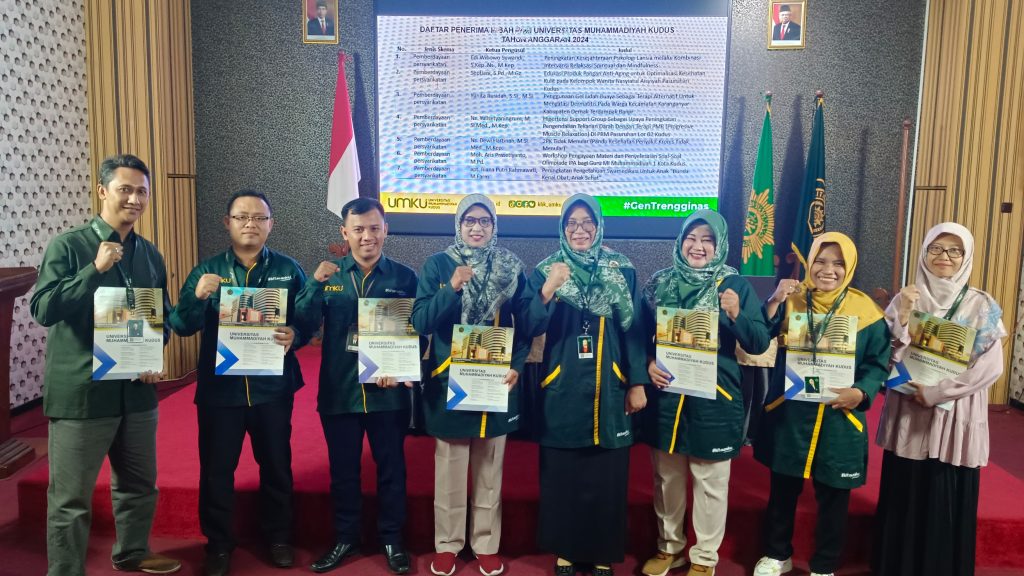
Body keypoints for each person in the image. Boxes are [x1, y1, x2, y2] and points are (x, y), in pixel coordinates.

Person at [30, 154, 181, 576]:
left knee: (139, 485)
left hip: (136, 391)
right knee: (70, 498)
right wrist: (94, 270)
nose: (134, 199)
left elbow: (163, 316)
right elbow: (43, 309)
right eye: (125, 189)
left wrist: (154, 353)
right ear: (102, 191)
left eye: (142, 192)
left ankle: (132, 552)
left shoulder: (149, 254)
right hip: (83, 393)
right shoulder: (69, 246)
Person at [168, 190, 315, 576]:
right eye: (242, 217)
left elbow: (307, 317)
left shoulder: (288, 269)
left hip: (272, 389)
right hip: (221, 393)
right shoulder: (207, 271)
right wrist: (197, 297)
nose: (251, 224)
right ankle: (218, 544)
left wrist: (296, 334)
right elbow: (181, 325)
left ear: (271, 224)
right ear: (228, 223)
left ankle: (279, 537)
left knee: (277, 466)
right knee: (217, 472)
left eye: (259, 218)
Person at [521, 194, 649, 576]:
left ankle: (600, 552)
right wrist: (548, 289)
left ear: (598, 226)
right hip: (563, 386)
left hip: (610, 387)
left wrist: (637, 382)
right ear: (562, 228)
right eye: (572, 223)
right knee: (564, 473)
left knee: (606, 475)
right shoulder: (547, 270)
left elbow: (635, 331)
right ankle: (565, 550)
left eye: (587, 222)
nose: (580, 230)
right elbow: (528, 326)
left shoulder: (621, 270)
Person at [640, 211, 771, 576]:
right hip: (668, 398)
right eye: (691, 238)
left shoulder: (733, 284)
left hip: (714, 400)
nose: (698, 246)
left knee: (710, 482)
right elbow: (640, 336)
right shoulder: (659, 283)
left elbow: (759, 342)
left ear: (719, 245)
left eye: (707, 240)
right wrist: (648, 363)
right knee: (667, 480)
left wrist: (736, 313)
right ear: (680, 241)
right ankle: (670, 548)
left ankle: (704, 558)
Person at [752, 232, 891, 576]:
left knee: (834, 497)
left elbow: (877, 364)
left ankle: (824, 565)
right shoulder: (792, 300)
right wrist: (773, 300)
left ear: (850, 267)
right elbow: (759, 335)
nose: (828, 270)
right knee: (783, 490)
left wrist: (861, 392)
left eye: (838, 263)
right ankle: (777, 554)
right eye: (820, 261)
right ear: (809, 262)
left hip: (840, 416)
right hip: (791, 412)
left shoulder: (867, 313)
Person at [872, 223, 1006, 576]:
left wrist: (937, 392)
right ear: (924, 252)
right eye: (936, 248)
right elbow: (885, 358)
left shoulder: (982, 305)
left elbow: (990, 367)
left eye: (954, 250)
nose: (944, 256)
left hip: (953, 413)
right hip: (909, 409)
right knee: (907, 489)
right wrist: (902, 318)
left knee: (944, 489)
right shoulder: (905, 298)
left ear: (966, 256)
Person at [294, 197, 416, 575]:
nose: (367, 236)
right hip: (340, 391)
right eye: (359, 229)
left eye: (374, 228)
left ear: (386, 230)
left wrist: (403, 366)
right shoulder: (329, 276)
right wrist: (313, 285)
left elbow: (419, 330)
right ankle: (346, 538)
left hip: (388, 394)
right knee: (343, 472)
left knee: (392, 470)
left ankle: (392, 538)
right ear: (344, 232)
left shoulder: (404, 277)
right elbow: (303, 324)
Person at [411, 195, 530, 576]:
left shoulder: (511, 267)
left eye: (484, 221)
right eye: (469, 221)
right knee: (450, 468)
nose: (477, 228)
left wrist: (517, 365)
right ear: (458, 225)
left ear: (494, 226)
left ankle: (485, 544)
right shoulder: (439, 264)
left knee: (489, 469)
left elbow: (525, 324)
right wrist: (451, 287)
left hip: (494, 378)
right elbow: (421, 322)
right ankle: (447, 544)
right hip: (450, 379)